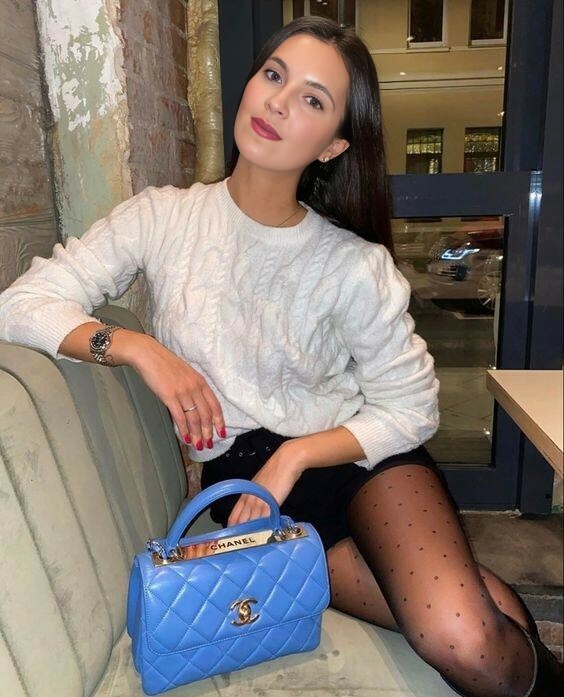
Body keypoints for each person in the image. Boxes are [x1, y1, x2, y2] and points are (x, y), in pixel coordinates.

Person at [0, 15, 560, 697]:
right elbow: (21, 304)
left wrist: (293, 455)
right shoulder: (161, 218)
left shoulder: (353, 264)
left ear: (333, 145)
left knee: (461, 634)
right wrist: (135, 346)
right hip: (250, 492)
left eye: (312, 100)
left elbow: (412, 408)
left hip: (357, 460)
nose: (278, 102)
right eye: (274, 75)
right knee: (481, 616)